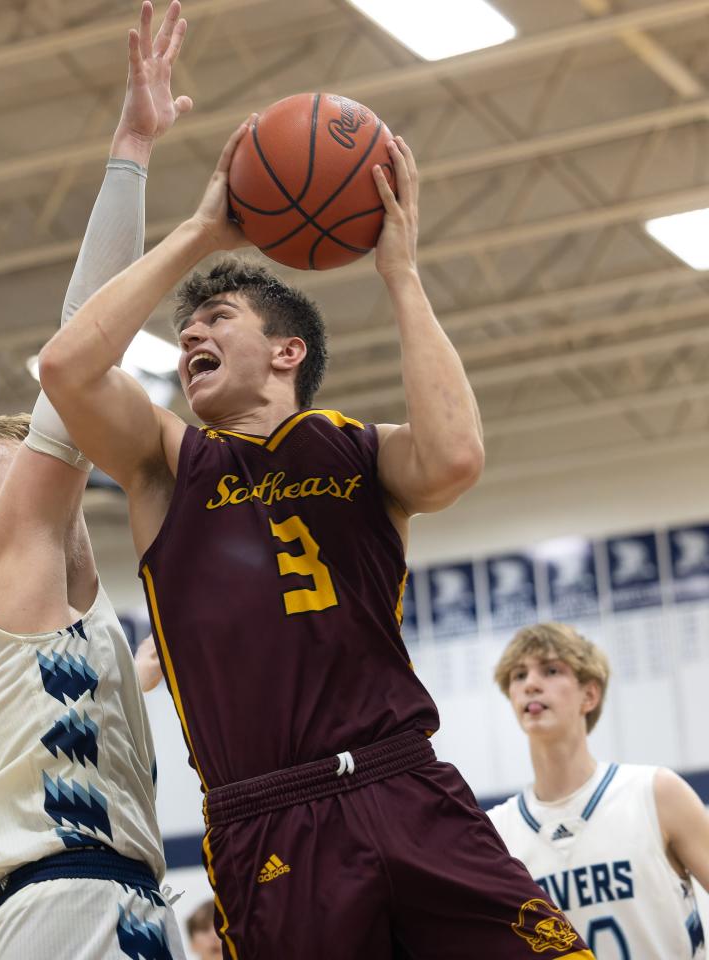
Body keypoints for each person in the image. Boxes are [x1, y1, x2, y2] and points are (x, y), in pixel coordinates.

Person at [37, 114, 593, 957]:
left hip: (405, 782)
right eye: (188, 330)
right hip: (270, 819)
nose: (190, 335)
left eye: (217, 318)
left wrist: (400, 273)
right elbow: (65, 369)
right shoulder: (168, 463)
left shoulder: (359, 450)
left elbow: (455, 457)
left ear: (287, 349)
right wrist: (199, 233)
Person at [0, 3, 192, 957]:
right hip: (72, 905)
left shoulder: (28, 627)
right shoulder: (2, 563)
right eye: (23, 448)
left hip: (60, 909)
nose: (54, 449)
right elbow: (77, 346)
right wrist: (133, 149)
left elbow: (128, 683)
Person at [488, 622, 708, 958]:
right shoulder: (496, 832)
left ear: (589, 695)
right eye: (519, 676)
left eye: (550, 670)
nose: (531, 684)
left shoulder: (657, 793)